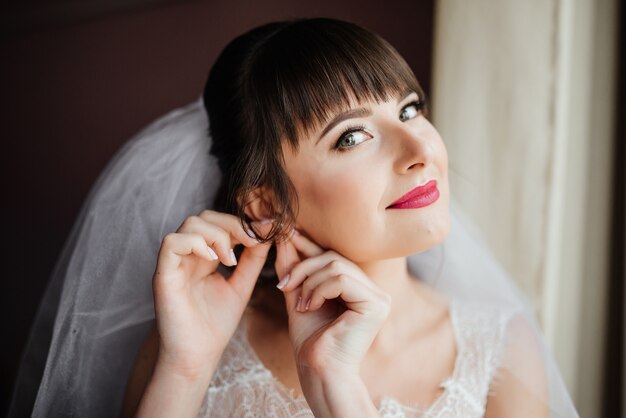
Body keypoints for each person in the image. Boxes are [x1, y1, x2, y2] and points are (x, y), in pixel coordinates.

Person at [10, 18, 579, 418]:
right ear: (266, 204)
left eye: (410, 109)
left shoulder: (500, 347)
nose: (420, 149)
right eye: (353, 136)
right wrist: (186, 369)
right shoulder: (193, 345)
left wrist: (336, 391)